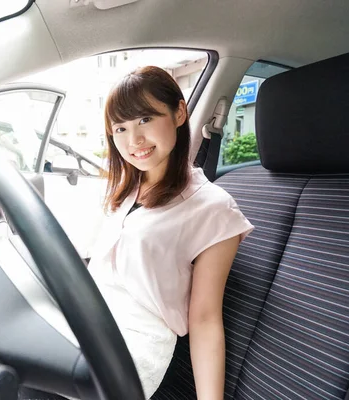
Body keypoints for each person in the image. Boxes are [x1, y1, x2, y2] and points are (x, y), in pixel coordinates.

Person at [20, 66, 254, 400]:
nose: (134, 141)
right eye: (121, 128)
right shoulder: (126, 187)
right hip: (86, 322)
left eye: (145, 119)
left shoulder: (214, 209)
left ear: (178, 113)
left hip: (130, 347)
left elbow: (204, 319)